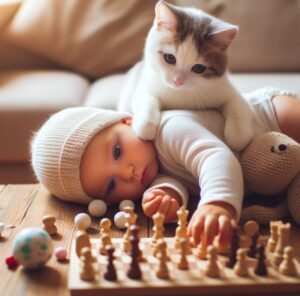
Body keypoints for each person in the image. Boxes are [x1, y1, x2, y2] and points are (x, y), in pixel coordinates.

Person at [31, 87, 300, 247]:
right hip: (271, 167)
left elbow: (216, 158)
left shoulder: (169, 129)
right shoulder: (149, 170)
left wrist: (218, 204)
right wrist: (168, 197)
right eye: (111, 185)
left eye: (117, 151)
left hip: (273, 117)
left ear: (127, 121)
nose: (129, 173)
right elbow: (175, 179)